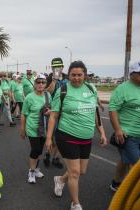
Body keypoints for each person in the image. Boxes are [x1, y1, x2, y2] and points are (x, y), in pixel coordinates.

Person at [45, 61, 107, 210]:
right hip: (67, 135)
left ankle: (60, 179)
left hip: (86, 137)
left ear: (84, 75)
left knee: (82, 171)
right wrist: (48, 138)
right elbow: (53, 116)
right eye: (73, 75)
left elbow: (95, 113)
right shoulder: (63, 90)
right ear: (69, 75)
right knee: (75, 173)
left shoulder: (91, 88)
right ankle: (76, 203)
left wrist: (102, 133)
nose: (76, 78)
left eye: (79, 75)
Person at [109, 61, 140, 192]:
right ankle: (134, 193)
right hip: (129, 134)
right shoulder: (122, 89)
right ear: (132, 74)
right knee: (136, 166)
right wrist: (118, 130)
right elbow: (113, 109)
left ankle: (116, 182)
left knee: (125, 160)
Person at [20, 74, 51, 183]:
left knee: (40, 150)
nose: (40, 84)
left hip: (44, 128)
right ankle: (31, 171)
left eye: (43, 82)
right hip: (32, 128)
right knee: (35, 150)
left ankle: (36, 169)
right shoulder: (29, 97)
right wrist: (22, 129)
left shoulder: (48, 96)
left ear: (46, 84)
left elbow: (51, 109)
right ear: (34, 84)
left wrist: (49, 112)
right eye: (38, 82)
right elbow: (23, 114)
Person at [44, 57, 68, 169]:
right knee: (51, 137)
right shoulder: (49, 77)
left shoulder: (67, 78)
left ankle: (56, 158)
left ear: (62, 67)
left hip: (65, 112)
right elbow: (47, 92)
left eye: (59, 67)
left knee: (61, 138)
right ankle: (47, 154)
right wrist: (54, 80)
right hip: (52, 111)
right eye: (54, 67)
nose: (57, 69)